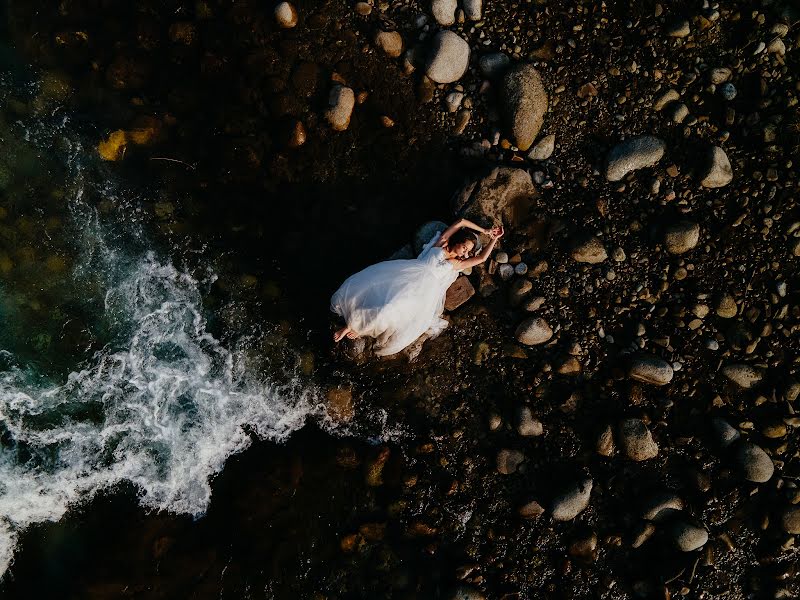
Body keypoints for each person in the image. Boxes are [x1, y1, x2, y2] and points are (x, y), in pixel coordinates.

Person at [331, 218, 504, 357]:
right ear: (458, 241)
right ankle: (350, 325)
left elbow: (481, 259)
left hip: (422, 292)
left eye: (467, 252)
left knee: (389, 308)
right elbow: (461, 222)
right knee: (372, 286)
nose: (465, 253)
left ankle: (357, 326)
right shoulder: (441, 242)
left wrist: (494, 240)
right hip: (405, 274)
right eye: (464, 247)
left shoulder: (458, 264)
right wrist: (486, 231)